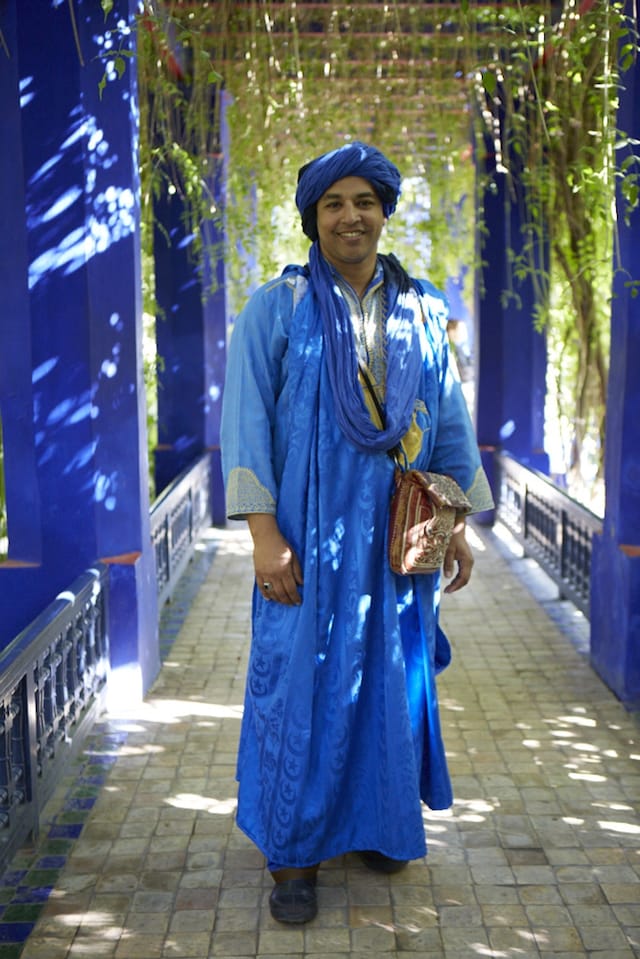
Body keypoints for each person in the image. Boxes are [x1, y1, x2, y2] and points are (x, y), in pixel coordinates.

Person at [220, 141, 493, 925]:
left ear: (383, 212)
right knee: (298, 682)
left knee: (388, 677)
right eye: (334, 203)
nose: (351, 216)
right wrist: (264, 536)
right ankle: (294, 851)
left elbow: (445, 423)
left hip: (395, 541)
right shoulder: (277, 308)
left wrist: (454, 532)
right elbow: (248, 425)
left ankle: (377, 821)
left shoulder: (420, 307)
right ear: (313, 216)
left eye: (364, 202)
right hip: (306, 538)